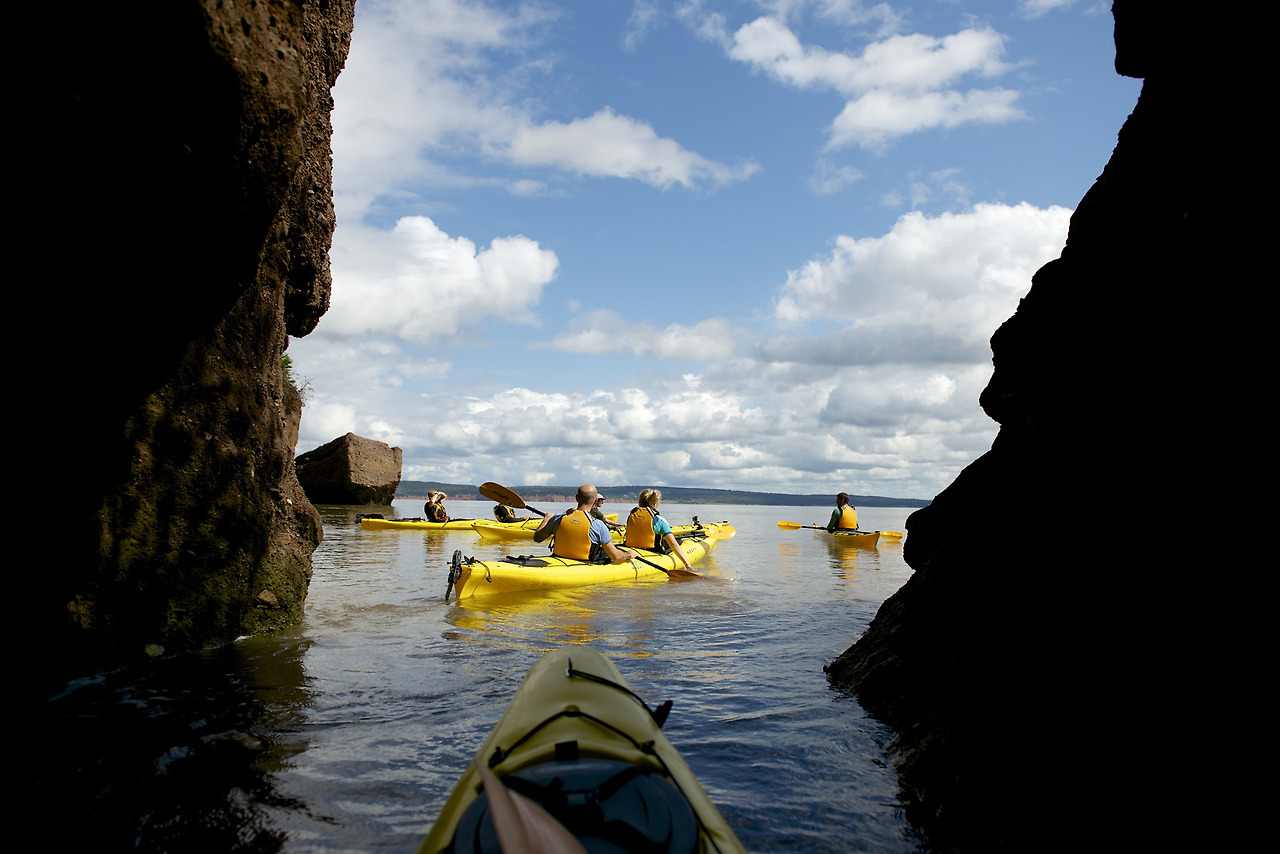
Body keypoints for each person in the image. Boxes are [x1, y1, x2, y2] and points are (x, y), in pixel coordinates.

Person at [534, 484, 634, 564]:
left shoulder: (559, 518)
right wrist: (627, 555)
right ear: (595, 501)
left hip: (558, 559)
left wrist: (546, 519)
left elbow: (537, 538)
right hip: (583, 563)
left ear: (577, 498)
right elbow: (615, 557)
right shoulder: (597, 525)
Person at [624, 488, 695, 571]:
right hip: (653, 551)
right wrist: (687, 564)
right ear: (655, 502)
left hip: (631, 548)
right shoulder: (659, 520)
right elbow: (673, 543)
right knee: (679, 541)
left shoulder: (631, 516)